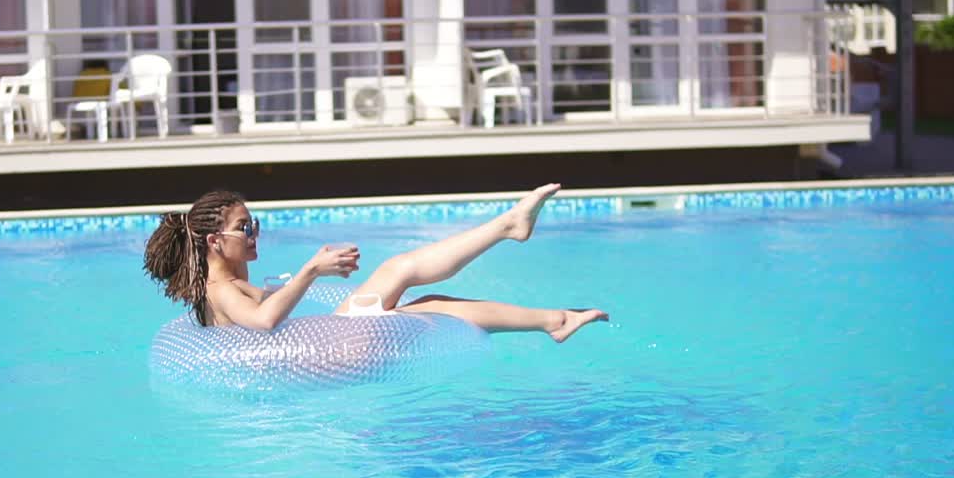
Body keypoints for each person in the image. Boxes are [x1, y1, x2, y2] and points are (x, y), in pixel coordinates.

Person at [142, 185, 608, 342]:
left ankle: (515, 240)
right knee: (415, 289)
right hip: (329, 353)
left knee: (412, 281)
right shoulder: (221, 290)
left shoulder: (224, 287)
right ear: (214, 242)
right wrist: (311, 271)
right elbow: (263, 323)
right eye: (245, 227)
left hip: (326, 342)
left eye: (254, 224)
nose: (254, 233)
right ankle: (551, 312)